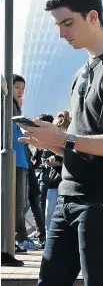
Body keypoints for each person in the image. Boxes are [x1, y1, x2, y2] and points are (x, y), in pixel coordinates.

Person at [17, 0, 103, 286]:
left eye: (67, 23)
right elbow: (82, 142)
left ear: (92, 16)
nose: (61, 33)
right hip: (68, 197)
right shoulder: (81, 72)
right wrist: (52, 143)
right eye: (58, 25)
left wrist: (64, 139)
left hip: (102, 202)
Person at [12, 74, 40, 251]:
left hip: (21, 161)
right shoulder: (7, 107)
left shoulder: (16, 107)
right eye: (17, 87)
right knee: (16, 202)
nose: (21, 91)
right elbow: (12, 135)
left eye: (23, 88)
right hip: (14, 160)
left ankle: (18, 237)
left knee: (21, 202)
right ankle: (19, 237)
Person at [41, 112, 71, 236]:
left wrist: (59, 160)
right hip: (54, 182)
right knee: (50, 213)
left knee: (64, 214)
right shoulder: (50, 144)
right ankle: (49, 239)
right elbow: (44, 159)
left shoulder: (72, 142)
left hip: (67, 183)